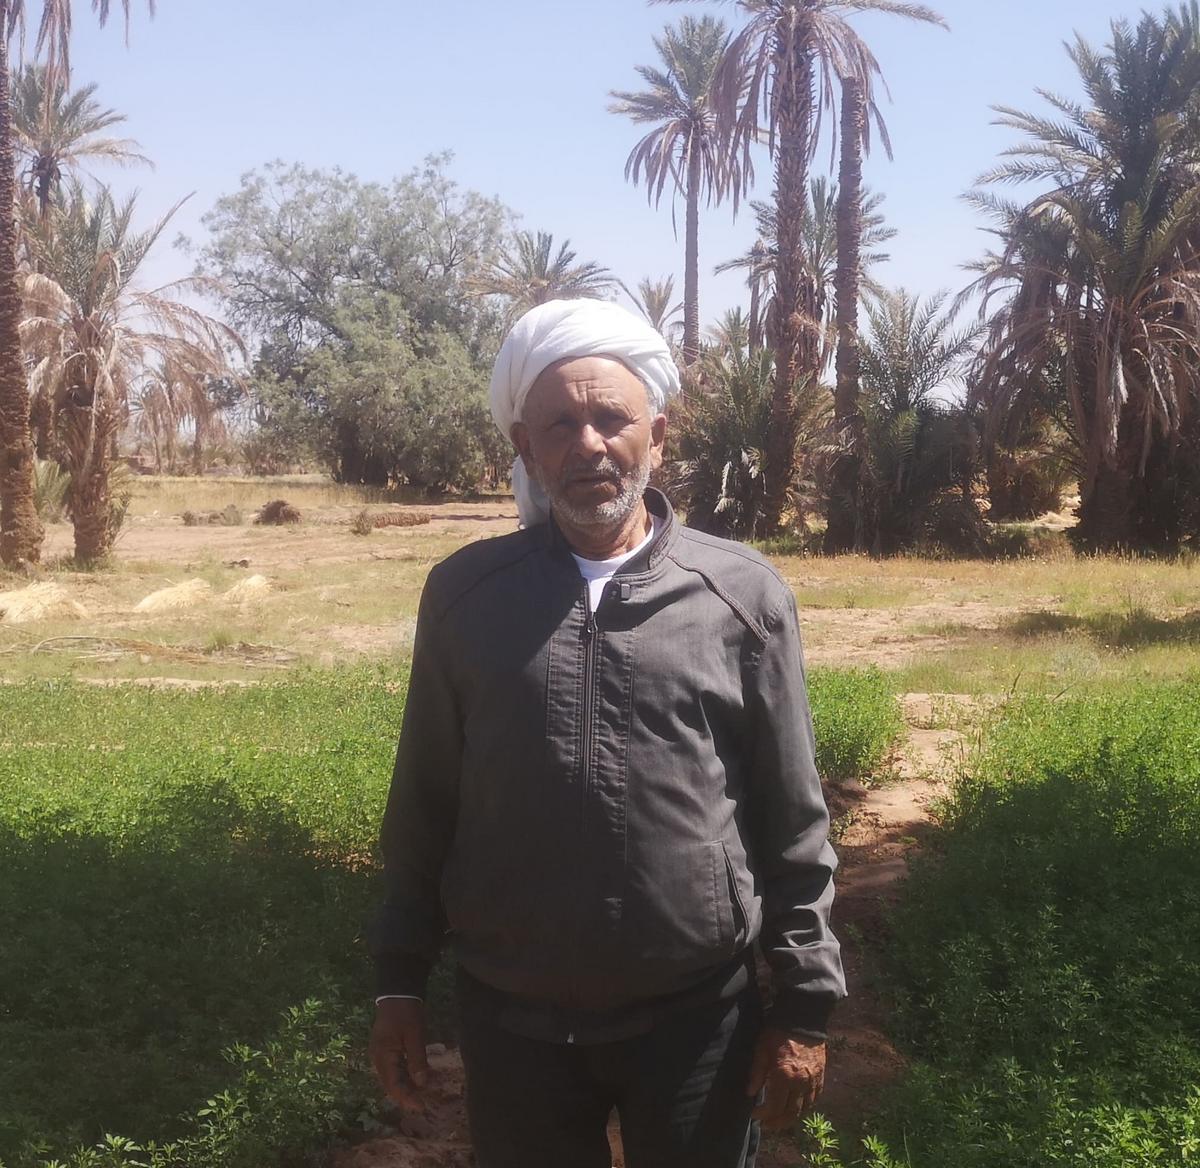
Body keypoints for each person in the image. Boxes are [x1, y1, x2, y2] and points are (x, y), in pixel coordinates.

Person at [369, 298, 845, 1168]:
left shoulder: (742, 595)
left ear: (656, 436)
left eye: (611, 419)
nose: (588, 443)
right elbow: (424, 804)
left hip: (697, 1016)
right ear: (527, 448)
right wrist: (398, 982)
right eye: (560, 424)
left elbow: (793, 816)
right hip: (512, 1022)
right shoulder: (467, 597)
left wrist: (805, 1007)